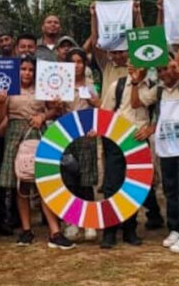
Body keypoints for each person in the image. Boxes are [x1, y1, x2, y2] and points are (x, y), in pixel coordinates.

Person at [0, 55, 74, 249]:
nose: (27, 73)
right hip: (16, 135)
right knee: (21, 183)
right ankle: (26, 230)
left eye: (31, 70)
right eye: (23, 69)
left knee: (44, 183)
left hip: (39, 133)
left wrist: (44, 115)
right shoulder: (8, 88)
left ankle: (54, 232)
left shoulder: (43, 86)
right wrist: (0, 102)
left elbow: (54, 110)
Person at [133, 60, 179, 253]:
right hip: (167, 147)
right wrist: (136, 82)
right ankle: (175, 228)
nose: (163, 74)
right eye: (160, 70)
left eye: (166, 69)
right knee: (170, 189)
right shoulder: (160, 90)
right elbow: (136, 103)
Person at [100, 65, 161, 248]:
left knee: (135, 187)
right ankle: (109, 231)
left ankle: (130, 229)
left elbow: (157, 112)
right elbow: (105, 113)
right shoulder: (117, 86)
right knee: (112, 186)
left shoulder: (153, 86)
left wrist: (150, 128)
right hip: (117, 141)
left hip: (138, 141)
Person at [61, 48, 100, 242]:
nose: (76, 66)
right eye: (72, 62)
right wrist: (56, 104)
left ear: (85, 64)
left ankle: (90, 221)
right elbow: (55, 110)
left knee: (86, 179)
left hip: (86, 135)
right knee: (70, 179)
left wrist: (94, 101)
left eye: (79, 62)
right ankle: (73, 221)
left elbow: (100, 107)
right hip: (66, 134)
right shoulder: (60, 85)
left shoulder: (90, 85)